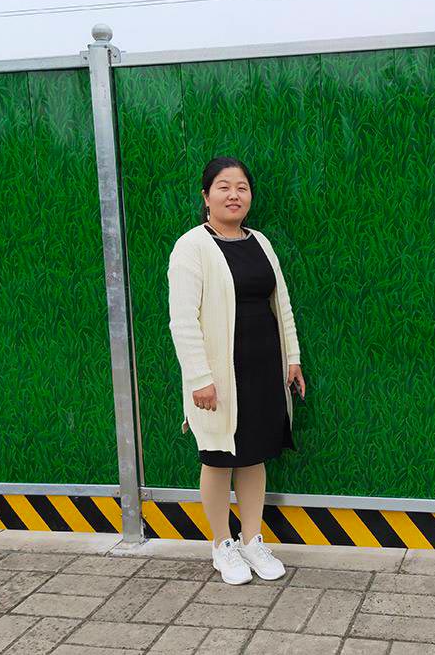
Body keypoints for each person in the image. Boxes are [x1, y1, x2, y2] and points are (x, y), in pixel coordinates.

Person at [167, 156, 306, 585]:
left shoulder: (260, 241)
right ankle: (221, 545)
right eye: (224, 187)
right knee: (217, 458)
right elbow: (182, 321)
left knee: (254, 456)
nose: (234, 195)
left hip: (263, 367)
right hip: (219, 379)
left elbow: (281, 303)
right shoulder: (191, 246)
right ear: (206, 196)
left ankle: (251, 540)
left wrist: (293, 358)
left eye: (242, 187)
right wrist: (200, 379)